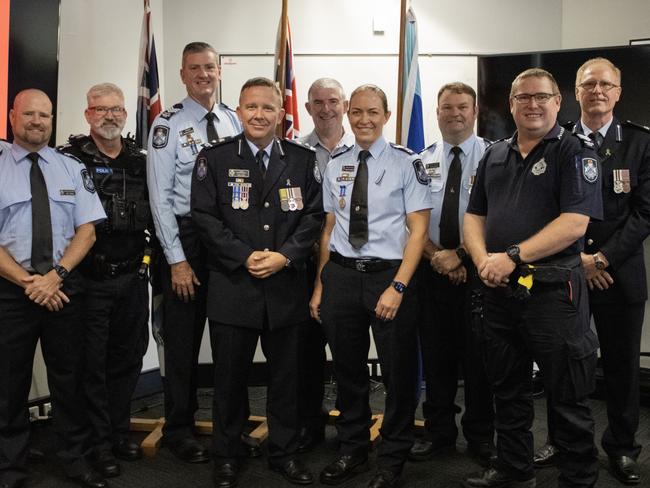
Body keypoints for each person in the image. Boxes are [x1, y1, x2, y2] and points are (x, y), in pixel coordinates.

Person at [462, 68, 602, 488]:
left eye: (542, 97)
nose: (533, 104)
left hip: (554, 293)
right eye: (524, 97)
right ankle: (515, 471)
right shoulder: (495, 154)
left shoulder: (576, 152)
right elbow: (473, 215)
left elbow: (575, 224)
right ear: (511, 104)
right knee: (507, 390)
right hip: (499, 291)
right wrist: (483, 259)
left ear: (559, 102)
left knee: (568, 397)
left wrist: (511, 256)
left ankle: (578, 478)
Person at [191, 77, 324, 488]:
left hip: (286, 287)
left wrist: (285, 256)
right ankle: (227, 456)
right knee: (229, 380)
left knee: (286, 379)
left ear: (281, 114)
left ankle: (282, 453)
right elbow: (204, 217)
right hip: (235, 287)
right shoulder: (214, 159)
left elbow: (315, 217)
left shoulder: (302, 160)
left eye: (268, 108)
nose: (259, 115)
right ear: (239, 110)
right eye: (251, 107)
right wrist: (243, 255)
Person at [534, 57, 650, 486]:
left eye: (606, 84)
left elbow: (644, 213)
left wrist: (600, 259)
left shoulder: (639, 143)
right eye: (588, 84)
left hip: (618, 275)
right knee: (561, 366)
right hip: (565, 274)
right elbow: (544, 207)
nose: (597, 91)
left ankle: (622, 447)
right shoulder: (555, 140)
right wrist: (577, 260)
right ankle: (563, 442)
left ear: (618, 92)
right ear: (575, 91)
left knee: (621, 368)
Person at [311, 84, 433, 488]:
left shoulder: (406, 163)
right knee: (347, 371)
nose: (364, 119)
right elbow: (329, 229)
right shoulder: (336, 163)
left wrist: (398, 287)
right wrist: (320, 285)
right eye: (357, 112)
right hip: (342, 276)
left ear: (386, 116)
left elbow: (418, 232)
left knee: (398, 375)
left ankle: (393, 458)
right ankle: (353, 449)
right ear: (348, 113)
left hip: (389, 276)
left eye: (373, 112)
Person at [0, 89, 107, 488]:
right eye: (29, 114)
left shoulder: (70, 167)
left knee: (70, 377)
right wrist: (30, 282)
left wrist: (55, 275)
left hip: (61, 286)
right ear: (12, 117)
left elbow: (88, 230)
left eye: (44, 115)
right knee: (9, 382)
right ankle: (9, 466)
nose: (37, 122)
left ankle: (74, 458)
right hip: (13, 291)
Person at [147, 42, 247, 464]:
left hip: (225, 240)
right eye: (195, 68)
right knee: (184, 343)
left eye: (209, 67)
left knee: (231, 340)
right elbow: (159, 198)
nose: (203, 74)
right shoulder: (166, 125)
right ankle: (179, 429)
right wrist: (177, 260)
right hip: (186, 240)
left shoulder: (232, 119)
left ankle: (232, 429)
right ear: (183, 74)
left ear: (219, 71)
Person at [60, 83, 151, 479]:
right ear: (88, 115)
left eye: (117, 110)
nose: (110, 117)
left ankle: (116, 431)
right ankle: (95, 443)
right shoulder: (70, 160)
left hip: (133, 275)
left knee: (128, 358)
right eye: (101, 110)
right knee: (91, 365)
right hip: (91, 280)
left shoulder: (141, 160)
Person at [409, 82, 495, 465]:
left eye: (463, 107)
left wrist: (461, 256)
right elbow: (409, 221)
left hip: (481, 273)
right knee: (437, 356)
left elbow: (502, 217)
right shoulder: (419, 161)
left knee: (480, 361)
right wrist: (439, 258)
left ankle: (480, 435)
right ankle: (439, 431)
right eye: (447, 107)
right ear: (437, 113)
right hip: (431, 273)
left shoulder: (496, 157)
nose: (455, 114)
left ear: (475, 112)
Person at [297, 77, 355, 452]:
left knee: (349, 349)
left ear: (345, 105)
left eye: (333, 100)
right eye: (317, 102)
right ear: (307, 108)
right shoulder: (296, 152)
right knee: (306, 348)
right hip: (304, 258)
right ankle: (310, 424)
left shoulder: (364, 147)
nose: (326, 108)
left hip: (348, 260)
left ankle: (352, 424)